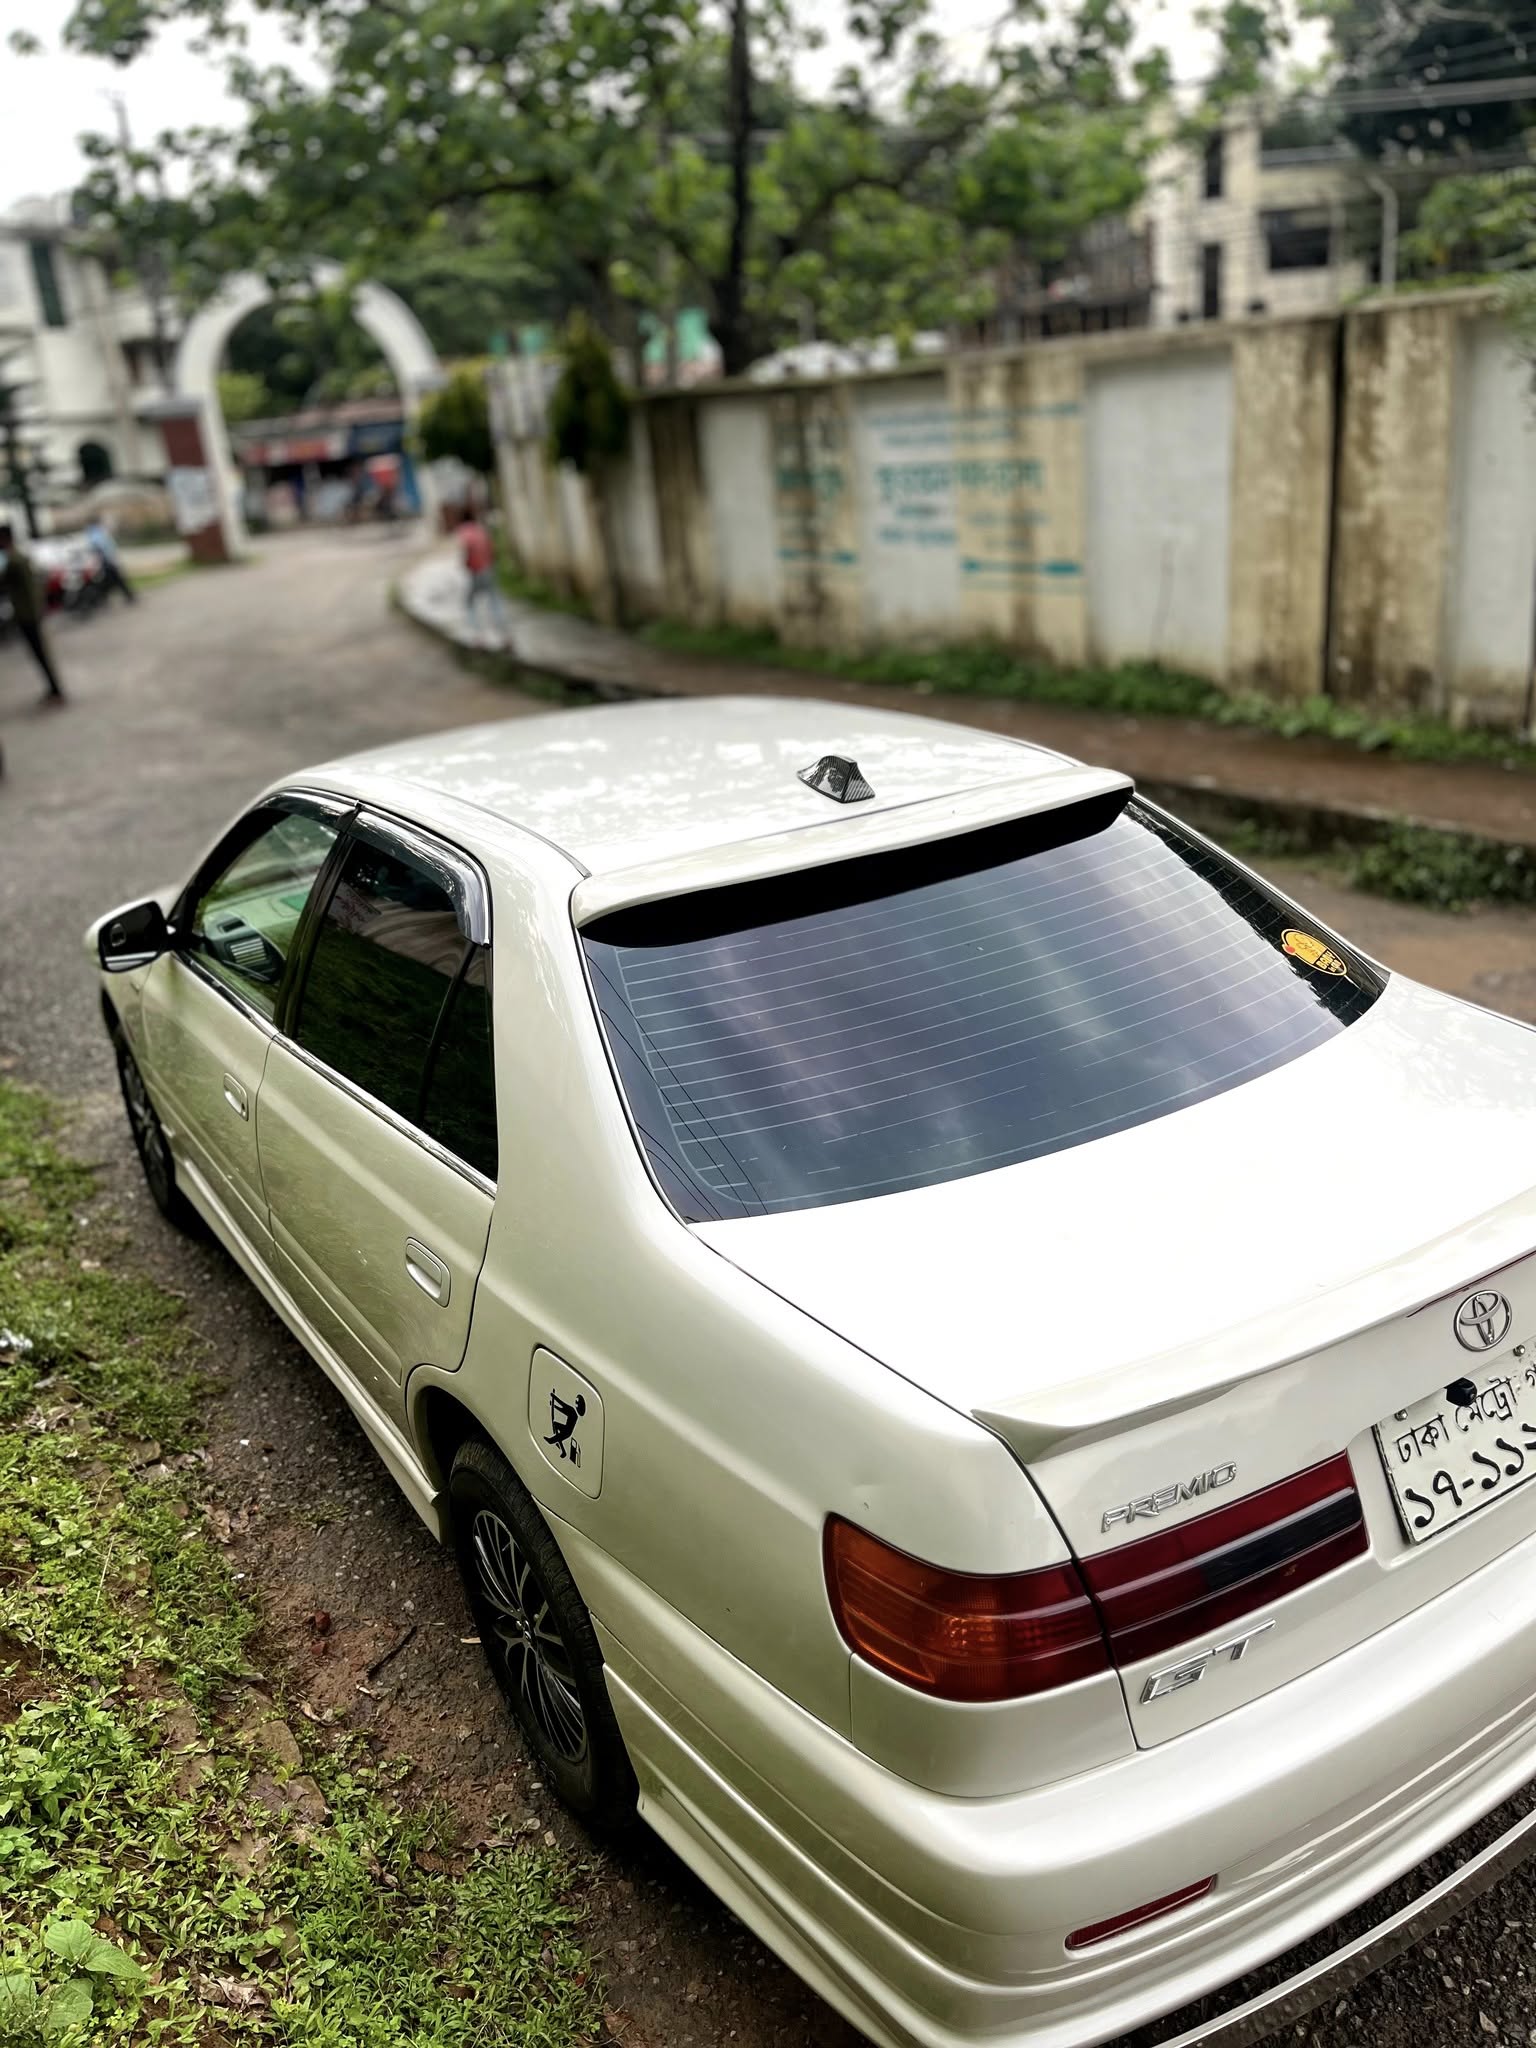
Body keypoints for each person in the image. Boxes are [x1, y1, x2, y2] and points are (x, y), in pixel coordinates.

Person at [0, 524, 65, 705]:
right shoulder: (20, 556)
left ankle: (55, 691)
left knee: (40, 654)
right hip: (33, 611)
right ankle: (54, 689)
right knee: (41, 653)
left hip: (26, 614)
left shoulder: (13, 561)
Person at [459, 507, 510, 647]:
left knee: (470, 603)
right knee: (494, 601)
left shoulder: (465, 531)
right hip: (489, 570)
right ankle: (505, 635)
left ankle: (477, 635)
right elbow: (492, 550)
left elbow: (467, 550)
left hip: (476, 571)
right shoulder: (481, 530)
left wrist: (467, 564)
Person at [85, 515, 136, 605]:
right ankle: (127, 596)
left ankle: (106, 598)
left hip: (105, 561)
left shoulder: (94, 532)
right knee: (115, 579)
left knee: (112, 580)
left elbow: (99, 547)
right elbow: (102, 546)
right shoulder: (97, 532)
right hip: (107, 560)